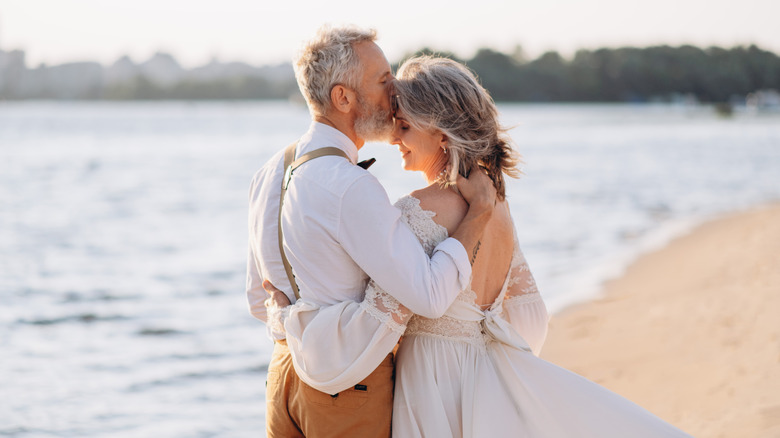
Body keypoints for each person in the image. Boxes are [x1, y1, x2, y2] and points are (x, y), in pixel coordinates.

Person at [269, 55, 692, 437]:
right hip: (486, 376)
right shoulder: (497, 208)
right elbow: (531, 317)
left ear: (441, 134)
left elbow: (373, 318)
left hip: (431, 383)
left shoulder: (415, 211)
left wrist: (288, 317)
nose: (394, 138)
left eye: (404, 127)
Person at [246, 26, 497, 438]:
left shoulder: (270, 172)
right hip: (347, 389)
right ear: (342, 97)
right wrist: (478, 214)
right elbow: (431, 296)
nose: (395, 91)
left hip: (282, 379)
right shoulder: (350, 186)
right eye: (383, 80)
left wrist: (300, 321)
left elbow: (259, 298)